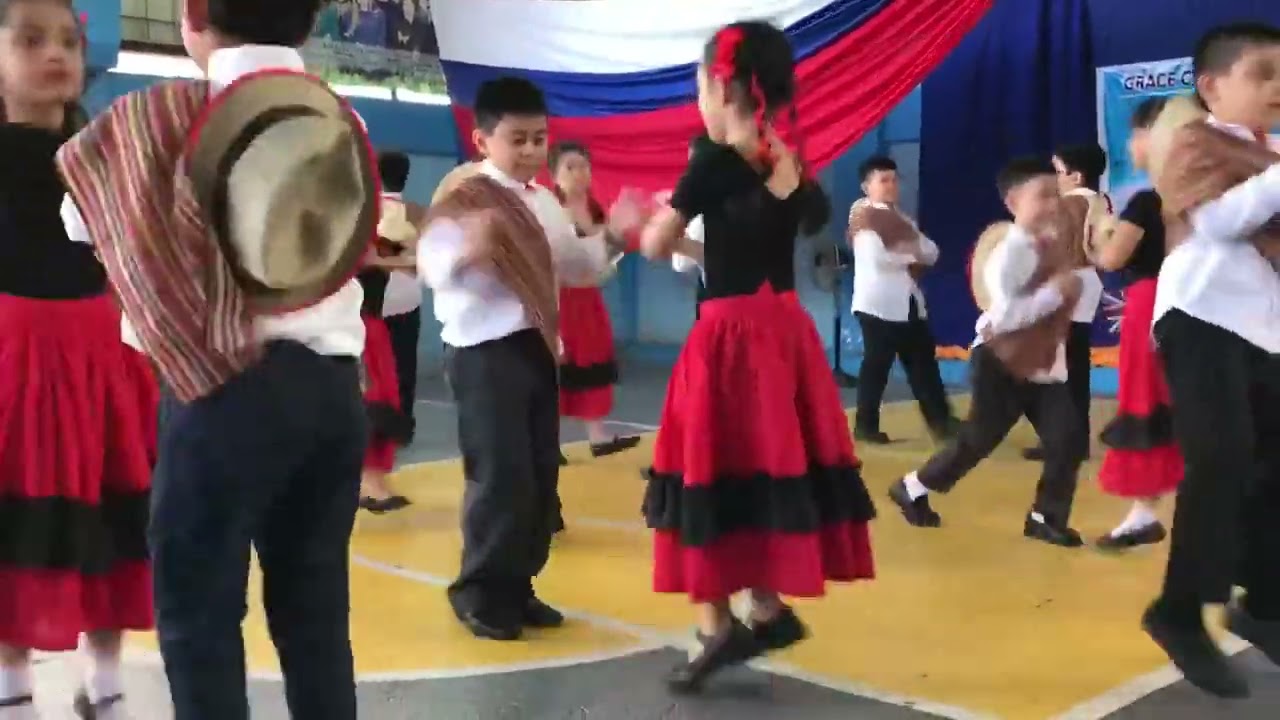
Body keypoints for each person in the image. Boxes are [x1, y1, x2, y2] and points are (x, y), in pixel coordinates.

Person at [57, 0, 376, 717]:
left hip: (223, 388)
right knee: (315, 608)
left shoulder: (157, 117)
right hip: (331, 390)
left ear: (192, 14)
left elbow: (79, 217)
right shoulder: (341, 117)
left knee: (198, 611)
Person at [638, 21, 875, 693]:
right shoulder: (783, 156)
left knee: (703, 467)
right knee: (764, 462)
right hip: (780, 329)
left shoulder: (711, 159)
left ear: (720, 83)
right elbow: (750, 242)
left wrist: (645, 221)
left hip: (728, 335)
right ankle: (765, 605)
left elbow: (658, 244)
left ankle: (717, 628)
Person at [418, 77, 646, 642]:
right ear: (481, 139)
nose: (530, 150)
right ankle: (478, 592)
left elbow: (577, 268)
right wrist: (472, 248)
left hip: (538, 348)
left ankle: (517, 587)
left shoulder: (543, 202)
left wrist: (615, 234)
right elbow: (429, 265)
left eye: (539, 139)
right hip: (481, 351)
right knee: (500, 476)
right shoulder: (464, 199)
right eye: (517, 138)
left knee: (541, 474)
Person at [0, 1, 156, 716]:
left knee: (112, 508)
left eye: (67, 40)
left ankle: (106, 676)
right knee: (20, 512)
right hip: (15, 358)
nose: (54, 54)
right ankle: (14, 684)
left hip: (103, 354)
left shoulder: (103, 150)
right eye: (30, 40)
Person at [1140, 22, 1280, 699]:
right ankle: (1178, 610)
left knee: (1272, 470)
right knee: (1222, 458)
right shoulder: (1195, 142)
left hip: (1265, 329)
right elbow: (1220, 222)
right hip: (1200, 315)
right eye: (1265, 74)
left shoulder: (1272, 152)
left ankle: (1263, 603)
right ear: (1211, 86)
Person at [886, 157, 1088, 548]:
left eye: (1055, 194)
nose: (1052, 204)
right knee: (978, 440)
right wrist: (1056, 294)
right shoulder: (1006, 253)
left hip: (1043, 365)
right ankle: (911, 488)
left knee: (1068, 438)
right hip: (1001, 361)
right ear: (1014, 202)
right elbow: (1004, 316)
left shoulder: (1050, 246)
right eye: (1042, 195)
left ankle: (1045, 517)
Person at [1091, 97, 1183, 549]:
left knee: (1147, 401)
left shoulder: (1149, 202)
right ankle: (1147, 514)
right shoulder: (1200, 197)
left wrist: (1099, 237)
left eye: (1136, 133)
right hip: (1196, 303)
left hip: (1152, 305)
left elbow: (1112, 257)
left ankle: (1146, 514)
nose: (1131, 143)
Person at [848, 155, 958, 444]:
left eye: (895, 179)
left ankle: (941, 421)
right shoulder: (863, 214)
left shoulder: (902, 219)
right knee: (877, 366)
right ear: (866, 186)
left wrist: (910, 252)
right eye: (883, 180)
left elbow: (932, 252)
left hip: (908, 300)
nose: (891, 185)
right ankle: (866, 426)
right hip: (877, 304)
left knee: (923, 365)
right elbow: (878, 257)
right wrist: (912, 254)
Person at [548, 141, 640, 459]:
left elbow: (604, 261)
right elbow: (561, 260)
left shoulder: (597, 209)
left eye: (584, 166)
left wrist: (619, 234)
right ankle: (550, 442)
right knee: (557, 367)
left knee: (594, 359)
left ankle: (598, 436)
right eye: (570, 167)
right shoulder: (551, 212)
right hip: (559, 299)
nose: (578, 173)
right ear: (554, 175)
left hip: (589, 298)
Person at [1022, 143, 1109, 461]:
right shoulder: (1098, 202)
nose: (1055, 179)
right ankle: (1074, 441)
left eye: (1058, 172)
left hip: (1068, 285)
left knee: (1060, 369)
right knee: (1074, 365)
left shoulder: (1069, 205)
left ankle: (1064, 442)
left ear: (1076, 175)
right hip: (1087, 283)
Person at [378, 151, 425, 442]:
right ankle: (403, 427)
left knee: (375, 368)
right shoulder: (419, 213)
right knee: (405, 366)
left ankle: (377, 426)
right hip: (409, 298)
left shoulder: (368, 213)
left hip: (375, 301)